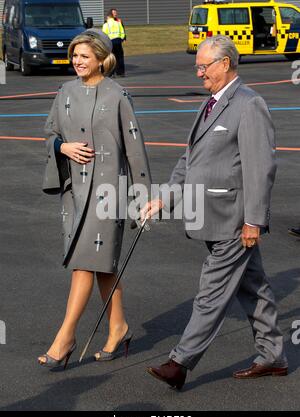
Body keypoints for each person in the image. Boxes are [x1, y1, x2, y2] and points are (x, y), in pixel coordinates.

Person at [141, 35, 288, 390]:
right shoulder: (211, 103)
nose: (198, 73)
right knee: (253, 288)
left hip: (233, 221)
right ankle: (273, 356)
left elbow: (261, 167)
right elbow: (189, 159)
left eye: (203, 66)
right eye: (197, 67)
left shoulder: (249, 104)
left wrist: (253, 220)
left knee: (211, 291)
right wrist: (164, 198)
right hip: (211, 216)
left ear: (225, 63)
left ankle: (180, 362)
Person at [38, 28, 151, 368]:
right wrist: (63, 147)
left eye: (84, 56)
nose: (77, 61)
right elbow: (49, 134)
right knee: (102, 266)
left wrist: (143, 199)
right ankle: (119, 326)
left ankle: (65, 338)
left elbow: (136, 149)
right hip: (75, 192)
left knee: (84, 263)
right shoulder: (65, 91)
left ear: (102, 58)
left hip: (108, 195)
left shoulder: (118, 95)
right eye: (75, 55)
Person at [103, 12, 126, 77]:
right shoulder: (118, 23)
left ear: (109, 17)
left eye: (107, 17)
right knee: (120, 57)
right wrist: (121, 39)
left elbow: (104, 35)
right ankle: (121, 73)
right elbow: (122, 32)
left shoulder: (106, 25)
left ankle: (111, 73)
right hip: (118, 41)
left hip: (110, 42)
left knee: (111, 58)